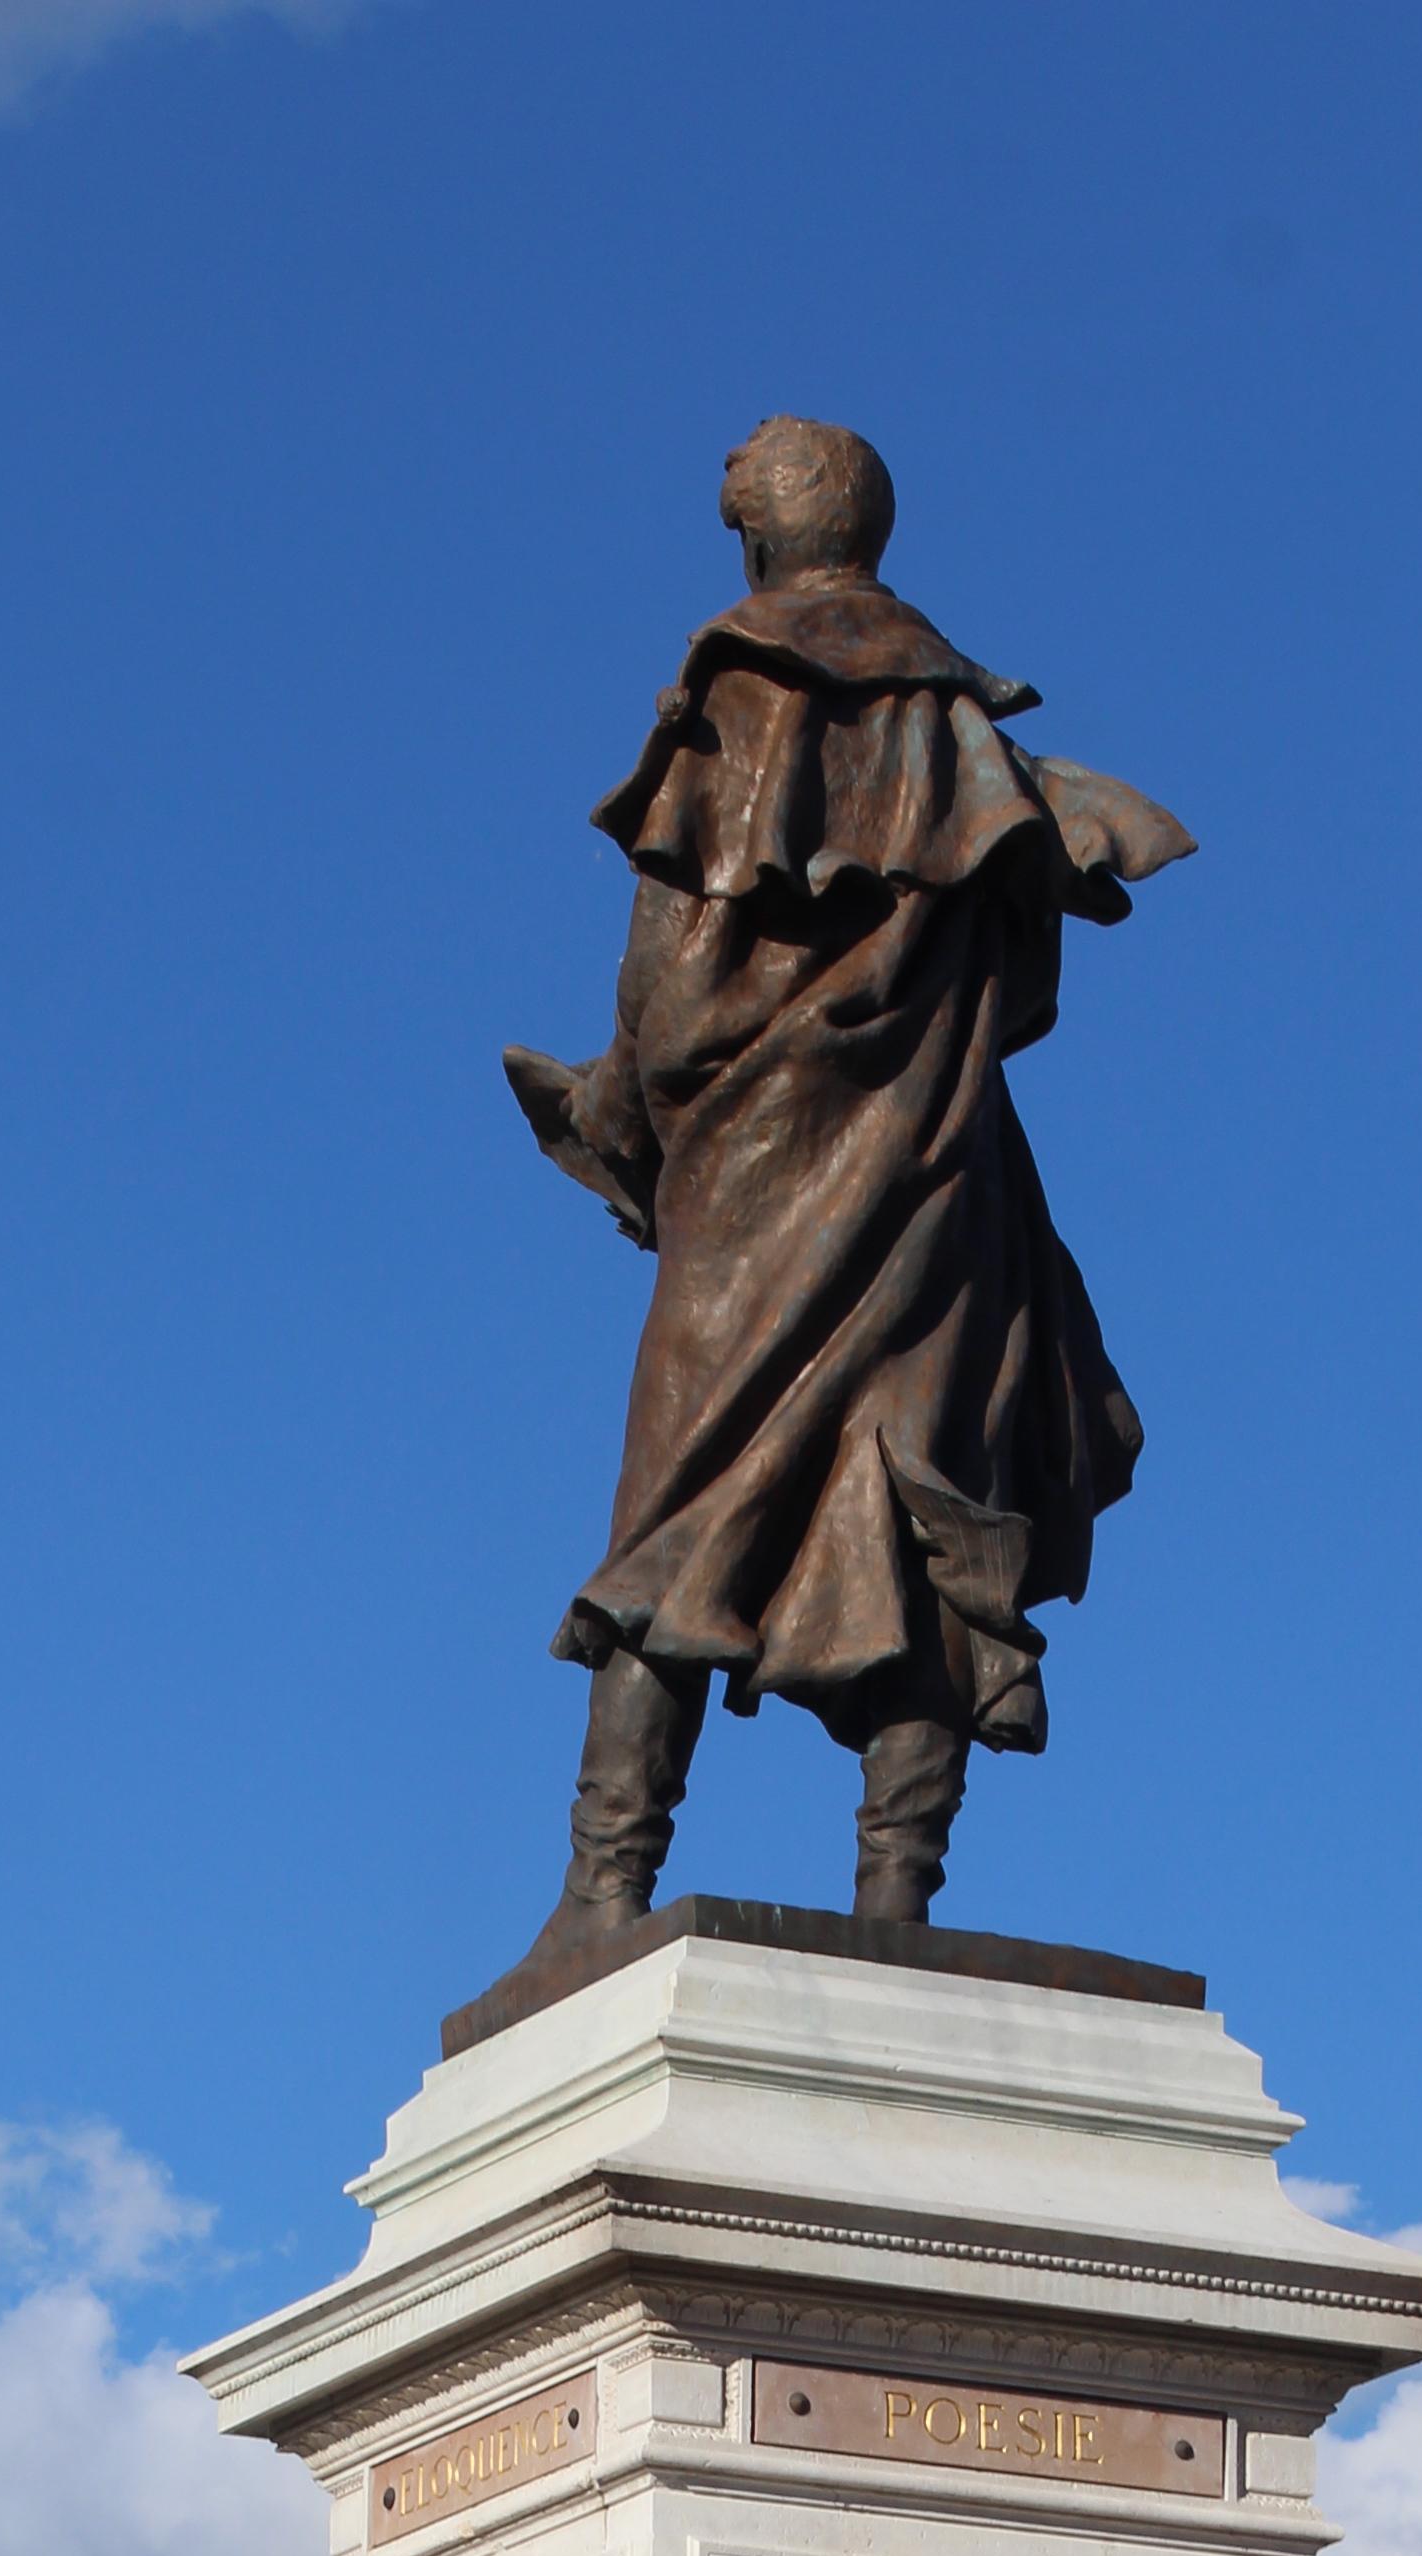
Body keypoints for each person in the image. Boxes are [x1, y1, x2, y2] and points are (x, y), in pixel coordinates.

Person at [501, 419, 1192, 1975]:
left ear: (752, 538)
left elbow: (676, 977)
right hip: (941, 1162)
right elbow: (1020, 968)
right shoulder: (962, 729)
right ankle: (897, 1904)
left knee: (683, 1505)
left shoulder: (744, 682)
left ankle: (603, 1895)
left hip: (757, 1168)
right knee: (920, 1495)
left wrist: (620, 1115)